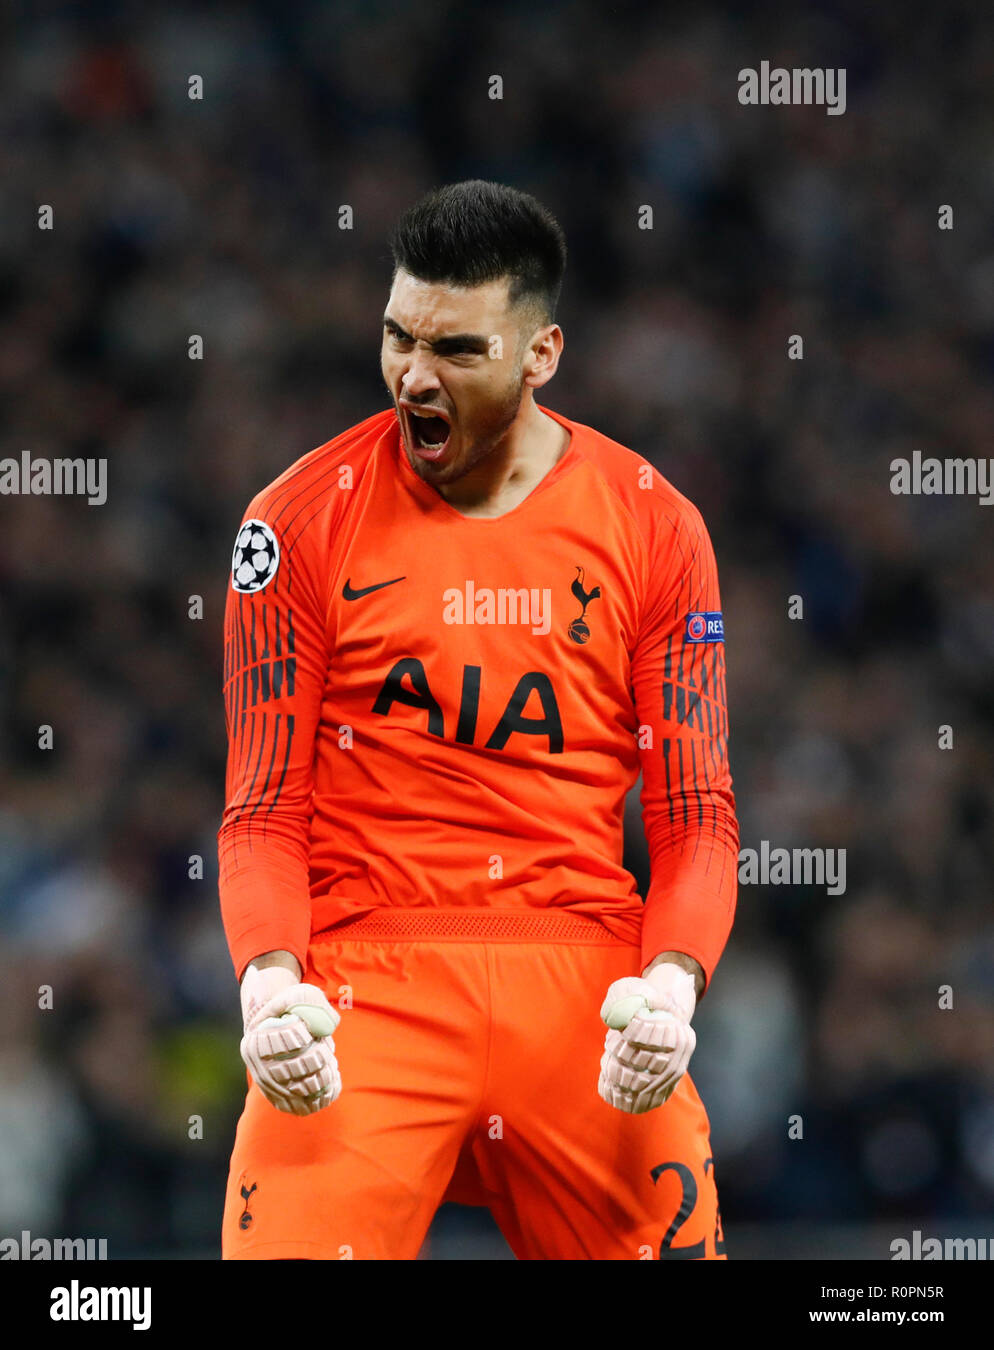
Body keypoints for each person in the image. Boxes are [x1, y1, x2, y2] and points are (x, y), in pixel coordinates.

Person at [218, 179, 738, 1259]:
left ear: (539, 355)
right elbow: (262, 807)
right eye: (397, 338)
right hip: (365, 990)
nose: (414, 376)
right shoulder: (293, 524)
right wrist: (270, 980)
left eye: (455, 349)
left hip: (585, 990)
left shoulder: (656, 528)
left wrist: (675, 983)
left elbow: (695, 812)